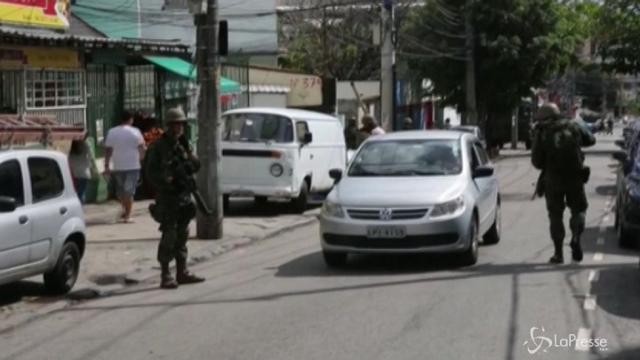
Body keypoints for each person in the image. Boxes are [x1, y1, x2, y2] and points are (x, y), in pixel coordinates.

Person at [145, 107, 204, 289]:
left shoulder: (183, 145)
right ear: (168, 126)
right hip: (168, 197)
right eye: (175, 125)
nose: (178, 128)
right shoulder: (158, 147)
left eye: (180, 125)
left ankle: (182, 271)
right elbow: (150, 172)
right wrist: (167, 181)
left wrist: (188, 155)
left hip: (183, 197)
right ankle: (165, 274)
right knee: (169, 235)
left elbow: (195, 166)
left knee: (183, 234)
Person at [531, 103, 596, 264]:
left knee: (555, 215)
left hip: (553, 180)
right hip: (575, 177)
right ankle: (575, 237)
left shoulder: (542, 132)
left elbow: (537, 162)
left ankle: (558, 253)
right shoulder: (572, 126)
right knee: (579, 209)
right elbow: (591, 140)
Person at [104, 111, 146, 223]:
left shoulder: (112, 132)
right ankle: (128, 215)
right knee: (129, 191)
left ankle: (125, 211)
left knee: (121, 192)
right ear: (131, 119)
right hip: (133, 166)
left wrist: (107, 165)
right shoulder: (135, 132)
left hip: (118, 166)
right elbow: (142, 148)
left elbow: (108, 150)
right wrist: (142, 159)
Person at [68, 132, 98, 203]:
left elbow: (68, 159)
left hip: (73, 173)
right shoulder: (85, 144)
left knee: (76, 193)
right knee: (81, 193)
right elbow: (91, 157)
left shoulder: (71, 145)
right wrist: (94, 168)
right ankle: (81, 210)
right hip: (83, 172)